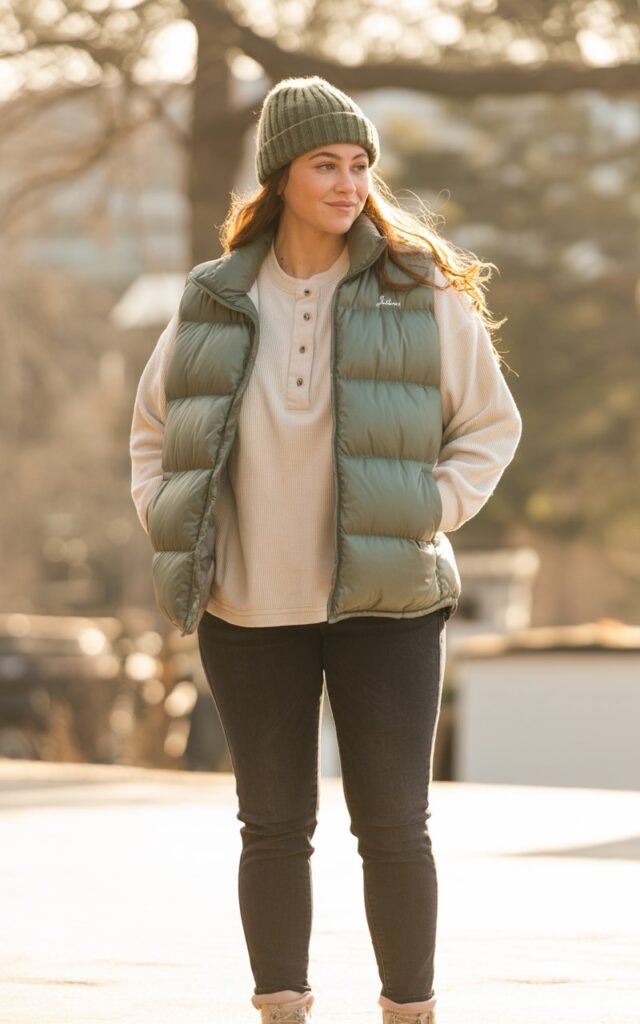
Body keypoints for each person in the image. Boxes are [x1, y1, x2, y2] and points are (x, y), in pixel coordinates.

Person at [129, 75, 522, 1024]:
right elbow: (153, 431)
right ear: (281, 175)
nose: (348, 183)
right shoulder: (214, 297)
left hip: (386, 601)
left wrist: (429, 504)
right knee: (271, 828)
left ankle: (408, 1012)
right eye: (325, 164)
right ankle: (281, 1010)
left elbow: (491, 425)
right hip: (247, 605)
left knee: (392, 826)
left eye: (359, 166)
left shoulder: (416, 287)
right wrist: (171, 518)